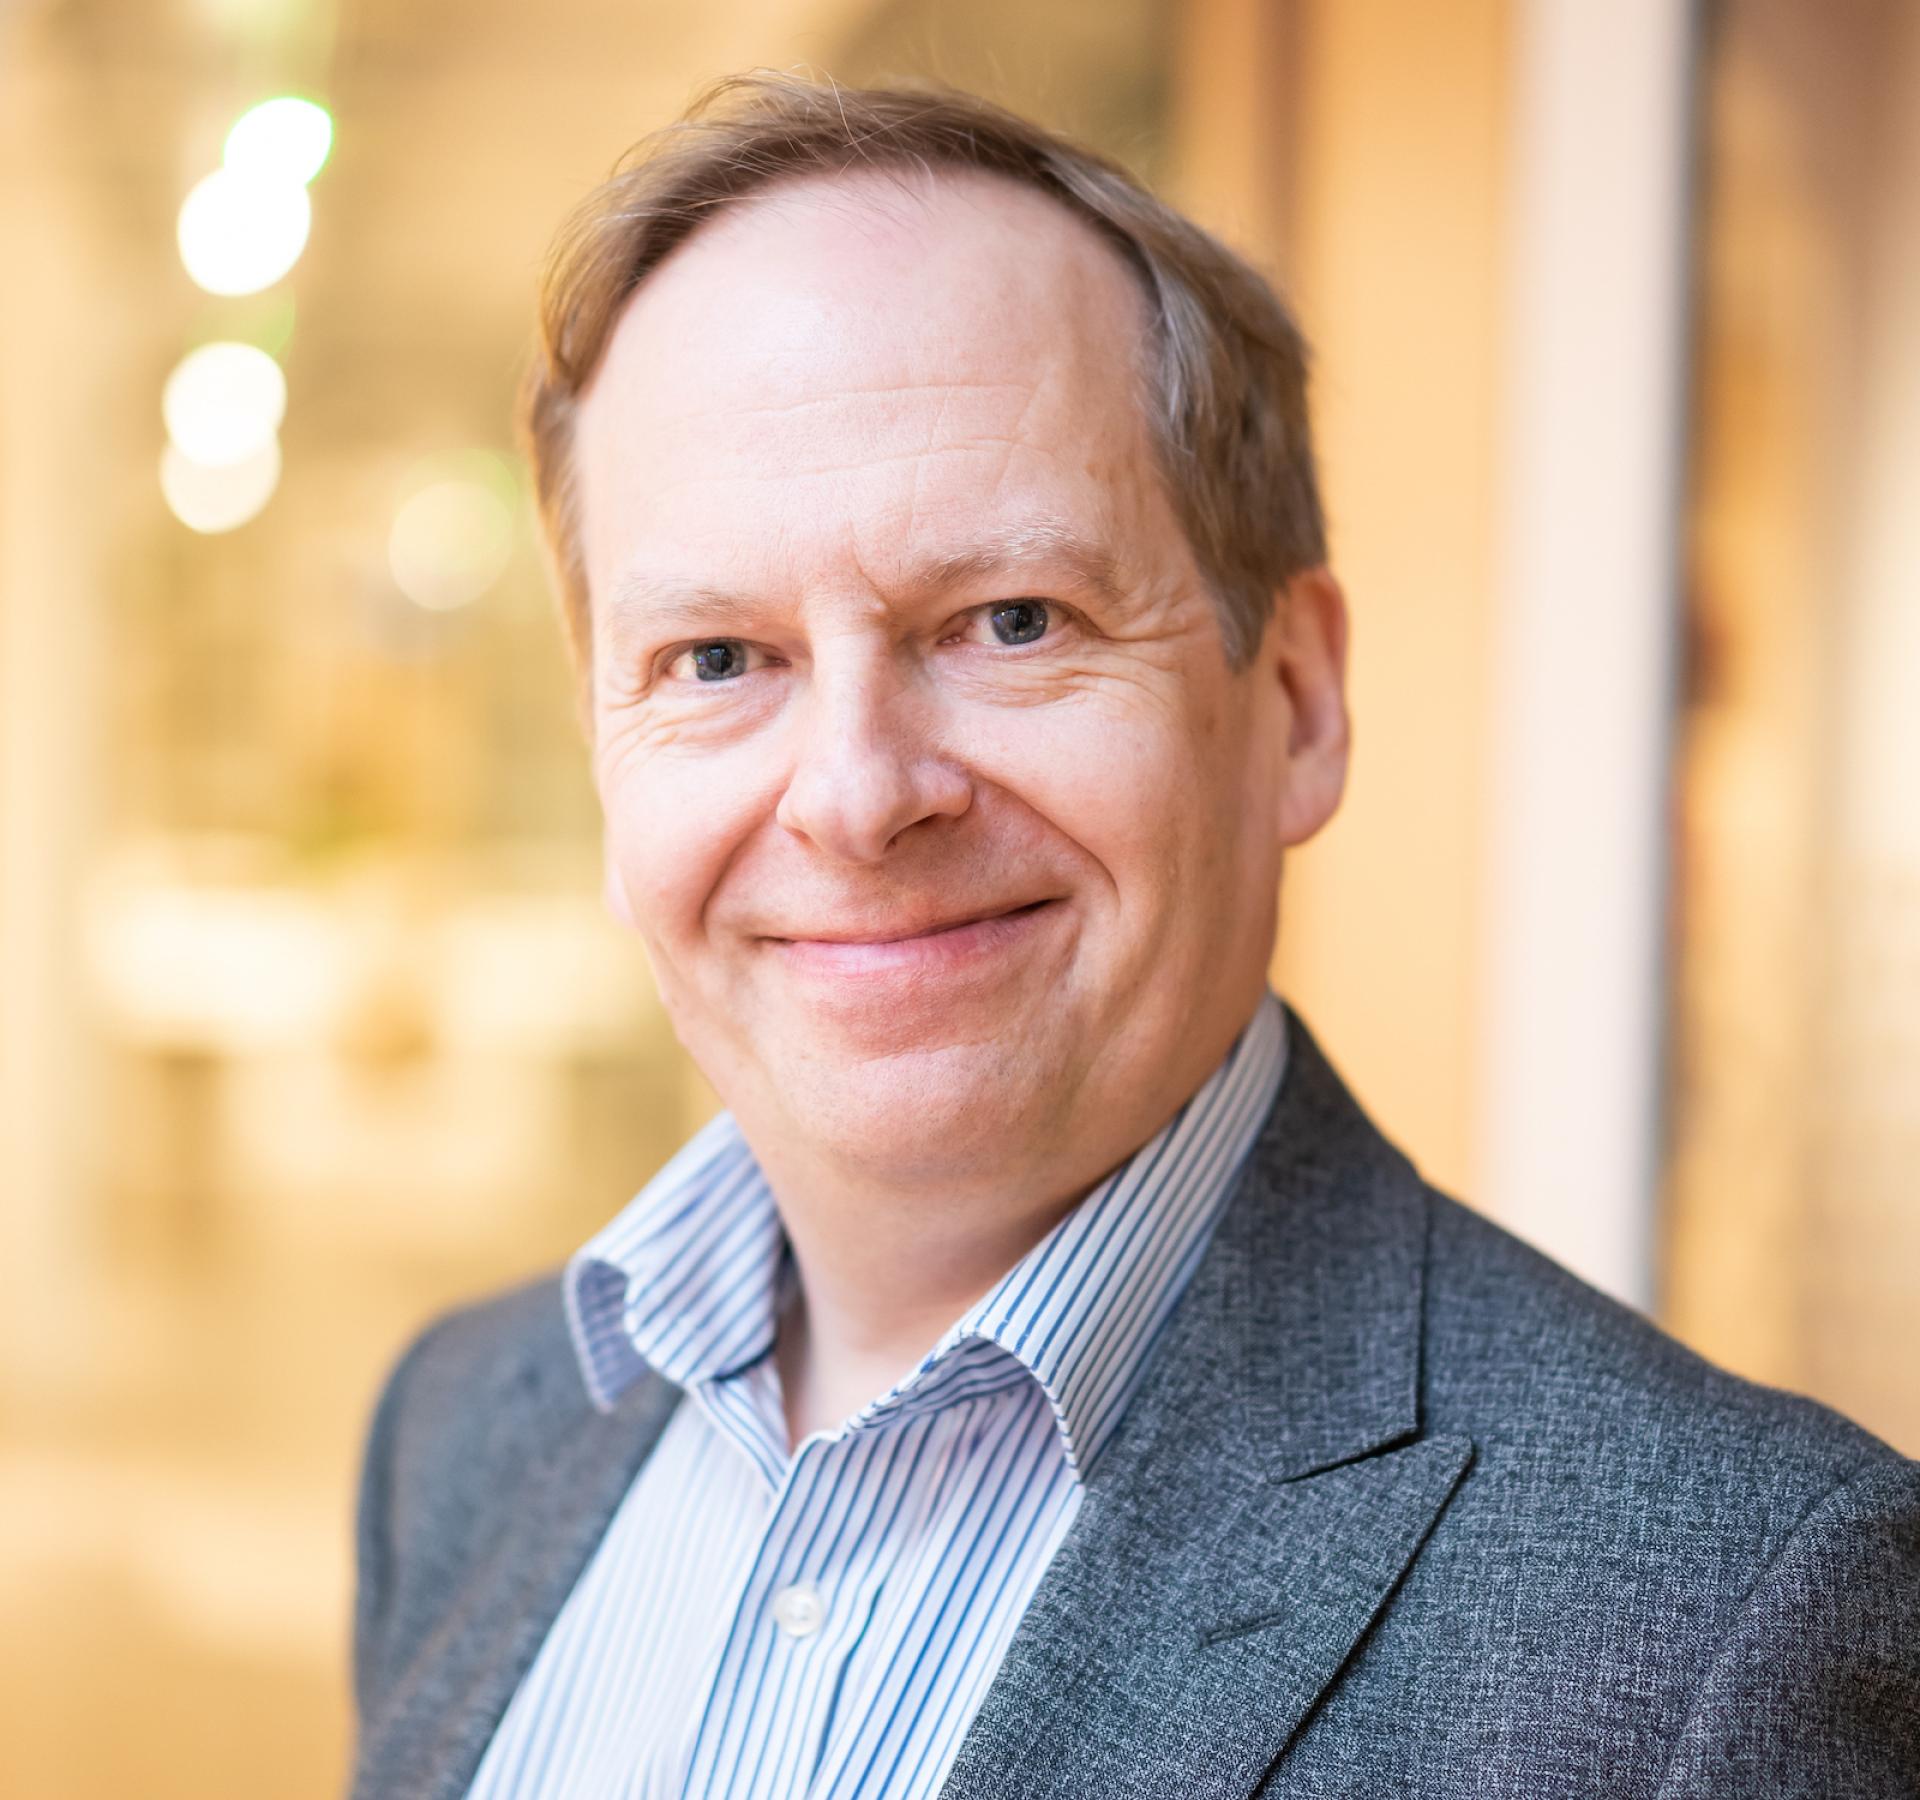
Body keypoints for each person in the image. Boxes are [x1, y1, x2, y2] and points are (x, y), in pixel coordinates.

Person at [345, 74, 1920, 1799]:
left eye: (1013, 620)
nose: (859, 796)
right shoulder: (464, 1436)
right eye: (717, 661)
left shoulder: (1720, 1623)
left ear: (1298, 703)